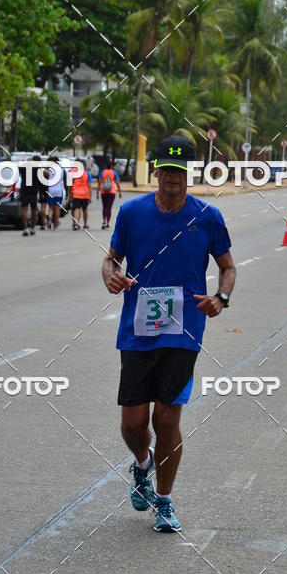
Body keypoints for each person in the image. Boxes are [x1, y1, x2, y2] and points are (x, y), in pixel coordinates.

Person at [101, 135, 236, 533]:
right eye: (166, 170)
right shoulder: (131, 213)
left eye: (180, 171)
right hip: (137, 330)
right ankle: (142, 464)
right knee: (132, 422)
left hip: (184, 330)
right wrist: (111, 276)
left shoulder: (207, 216)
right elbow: (111, 259)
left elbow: (228, 267)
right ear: (156, 171)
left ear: (189, 173)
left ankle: (163, 499)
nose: (172, 178)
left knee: (166, 417)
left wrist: (221, 298)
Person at [19, 155, 42, 237]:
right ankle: (32, 228)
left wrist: (13, 187)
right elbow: (46, 175)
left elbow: (15, 176)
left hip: (24, 190)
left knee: (24, 210)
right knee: (34, 211)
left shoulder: (23, 166)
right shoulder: (37, 168)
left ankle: (25, 229)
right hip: (33, 191)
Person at [97, 159, 122, 229]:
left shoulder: (102, 172)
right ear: (111, 166)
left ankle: (104, 221)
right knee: (109, 207)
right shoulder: (114, 173)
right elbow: (117, 183)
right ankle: (108, 223)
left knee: (104, 207)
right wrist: (119, 192)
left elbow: (99, 182)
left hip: (103, 191)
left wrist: (97, 192)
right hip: (112, 192)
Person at [70, 160, 93, 230]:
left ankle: (76, 223)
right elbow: (89, 186)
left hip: (76, 193)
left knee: (77, 208)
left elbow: (70, 185)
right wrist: (90, 196)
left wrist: (70, 194)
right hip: (85, 194)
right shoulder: (88, 174)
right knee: (85, 209)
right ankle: (85, 224)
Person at [44, 158, 65, 229]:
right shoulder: (62, 170)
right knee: (57, 208)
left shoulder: (49, 169)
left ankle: (49, 218)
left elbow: (45, 175)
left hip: (51, 190)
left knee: (50, 207)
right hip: (59, 190)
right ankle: (55, 224)